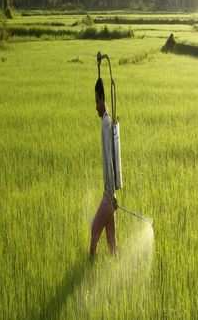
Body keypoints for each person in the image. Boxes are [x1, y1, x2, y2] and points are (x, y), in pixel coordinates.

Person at [90, 78, 118, 260]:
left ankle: (89, 266)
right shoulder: (105, 121)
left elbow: (109, 160)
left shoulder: (106, 124)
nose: (96, 107)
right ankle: (117, 265)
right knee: (111, 239)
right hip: (108, 192)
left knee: (94, 229)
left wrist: (111, 195)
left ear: (102, 98)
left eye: (97, 102)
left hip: (108, 195)